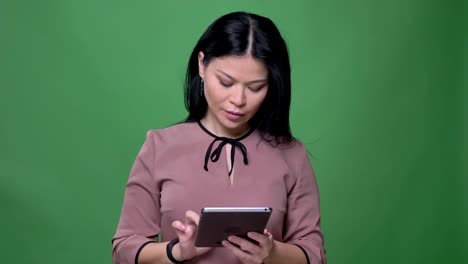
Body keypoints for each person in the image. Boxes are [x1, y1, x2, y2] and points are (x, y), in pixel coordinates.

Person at [112, 11, 326, 264]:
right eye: (226, 82)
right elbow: (124, 250)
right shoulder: (159, 146)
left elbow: (314, 255)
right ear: (202, 65)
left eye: (256, 87)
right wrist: (177, 251)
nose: (239, 100)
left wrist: (273, 253)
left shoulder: (292, 154)